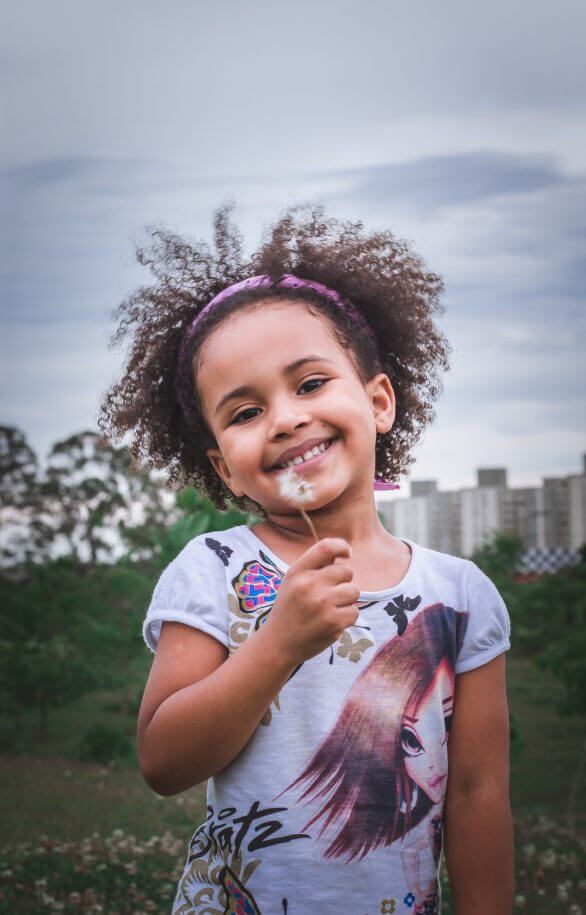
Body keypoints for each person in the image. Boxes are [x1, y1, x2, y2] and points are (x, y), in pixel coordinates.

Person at [99, 203, 514, 914]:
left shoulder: (462, 595)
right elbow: (162, 762)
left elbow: (479, 791)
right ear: (223, 469)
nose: (286, 417)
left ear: (379, 401)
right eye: (244, 412)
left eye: (311, 383)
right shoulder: (213, 569)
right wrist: (278, 643)